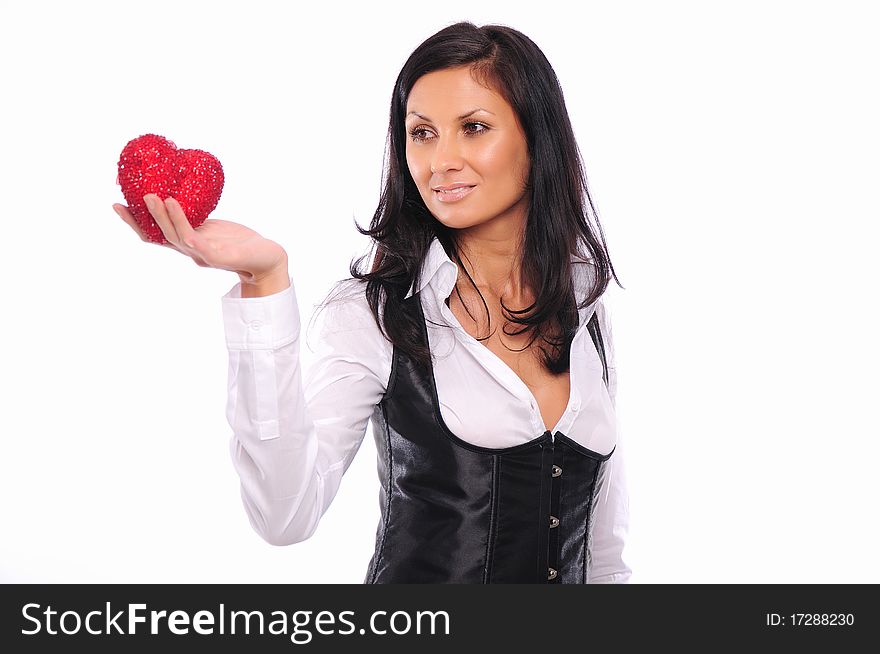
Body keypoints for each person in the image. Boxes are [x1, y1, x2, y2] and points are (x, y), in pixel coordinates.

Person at [112, 21, 631, 584]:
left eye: (474, 128)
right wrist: (264, 282)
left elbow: (604, 556)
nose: (441, 161)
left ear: (538, 138)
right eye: (422, 133)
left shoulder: (586, 310)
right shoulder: (377, 315)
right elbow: (285, 515)